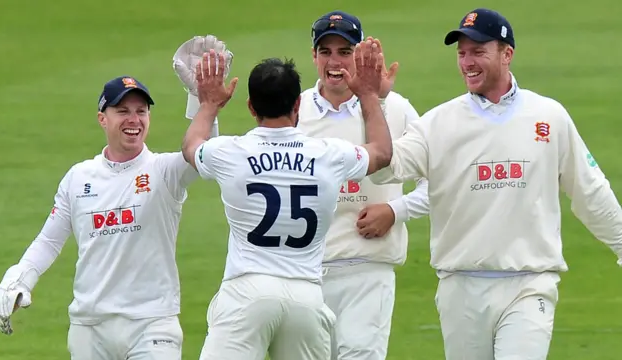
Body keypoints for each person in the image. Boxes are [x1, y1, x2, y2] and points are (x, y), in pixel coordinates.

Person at [368, 7, 622, 360]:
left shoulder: (548, 116)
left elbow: (590, 191)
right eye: (461, 53)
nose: (467, 62)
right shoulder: (437, 123)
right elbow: (384, 170)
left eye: (478, 51)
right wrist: (372, 101)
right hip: (460, 287)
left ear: (507, 54)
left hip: (529, 284)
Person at [181, 40, 393, 360]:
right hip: (305, 296)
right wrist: (367, 95)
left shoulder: (230, 153)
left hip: (247, 292)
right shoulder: (328, 154)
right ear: (297, 105)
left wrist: (209, 103)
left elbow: (191, 146)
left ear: (251, 107)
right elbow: (382, 152)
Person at [0, 75, 218, 359]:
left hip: (152, 326)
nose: (134, 120)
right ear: (102, 118)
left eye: (141, 111)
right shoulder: (78, 177)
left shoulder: (164, 171)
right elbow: (49, 240)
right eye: (122, 111)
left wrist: (201, 98)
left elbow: (206, 154)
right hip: (90, 328)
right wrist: (19, 279)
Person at [295, 10, 430, 359]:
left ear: (360, 56)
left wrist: (395, 210)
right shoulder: (295, 112)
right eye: (326, 52)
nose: (335, 62)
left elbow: (440, 182)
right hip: (304, 273)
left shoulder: (394, 109)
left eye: (345, 52)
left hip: (367, 269)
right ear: (314, 56)